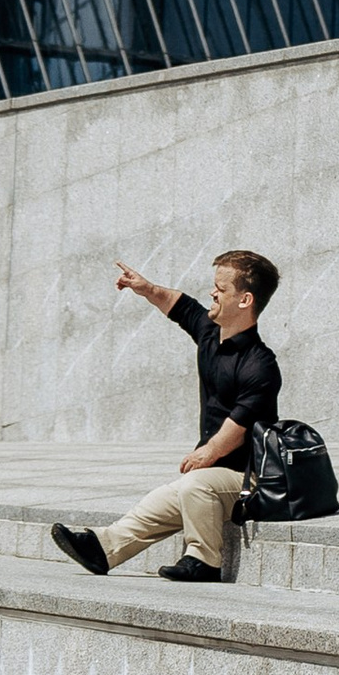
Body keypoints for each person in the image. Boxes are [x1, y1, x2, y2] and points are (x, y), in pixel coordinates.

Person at [49, 249, 281, 585]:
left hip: (250, 480)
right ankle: (103, 548)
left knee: (195, 485)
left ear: (245, 300)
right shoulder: (210, 332)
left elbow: (238, 429)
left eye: (221, 289)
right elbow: (179, 305)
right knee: (164, 498)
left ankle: (204, 561)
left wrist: (206, 453)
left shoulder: (260, 364)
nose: (213, 293)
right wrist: (146, 288)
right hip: (214, 478)